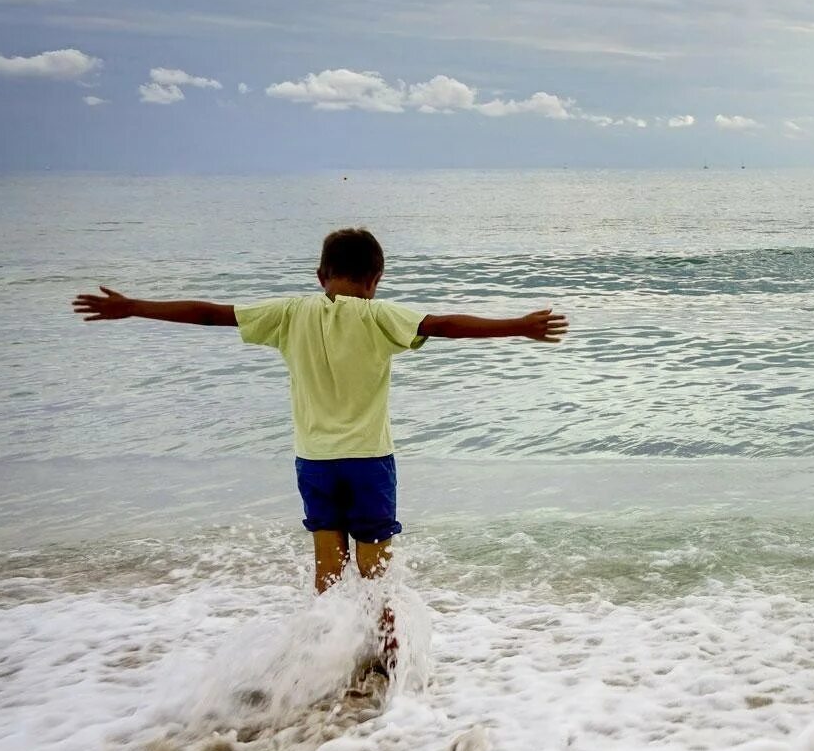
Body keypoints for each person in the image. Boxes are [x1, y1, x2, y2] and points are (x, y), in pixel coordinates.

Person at [73, 226, 567, 606]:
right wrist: (517, 326)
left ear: (319, 276)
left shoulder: (290, 313)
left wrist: (134, 306)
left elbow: (212, 314)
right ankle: (383, 662)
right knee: (376, 573)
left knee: (328, 571)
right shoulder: (379, 316)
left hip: (314, 462)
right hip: (369, 462)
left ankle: (327, 658)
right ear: (376, 281)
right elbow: (444, 326)